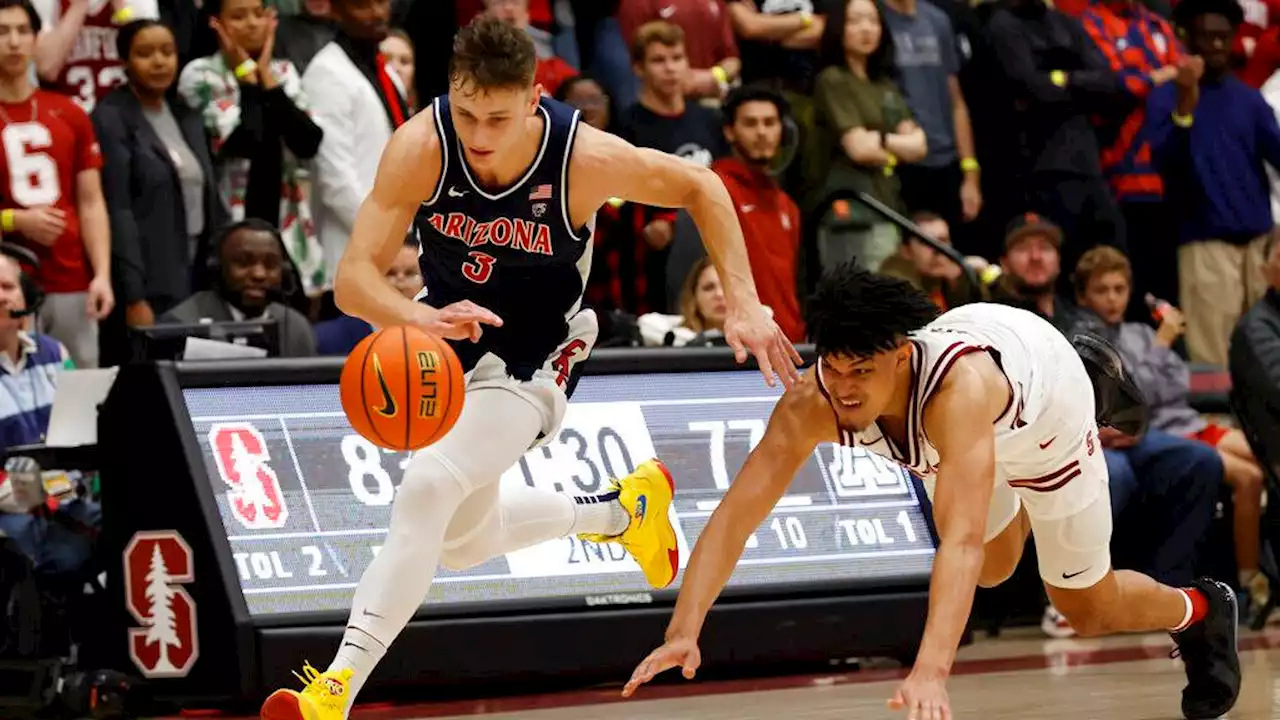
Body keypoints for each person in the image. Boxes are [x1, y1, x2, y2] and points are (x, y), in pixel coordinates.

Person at [259, 15, 798, 720]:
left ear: (535, 99)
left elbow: (703, 187)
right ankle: (621, 512)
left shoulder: (583, 157)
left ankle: (335, 687)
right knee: (460, 543)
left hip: (539, 349)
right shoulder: (423, 145)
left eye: (499, 117)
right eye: (467, 112)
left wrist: (745, 303)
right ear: (449, 93)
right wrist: (416, 317)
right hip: (451, 342)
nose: (479, 136)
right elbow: (353, 280)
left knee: (428, 486)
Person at [623, 264, 1241, 720]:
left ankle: (1203, 610)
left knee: (1086, 609)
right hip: (978, 414)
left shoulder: (955, 394)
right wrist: (684, 626)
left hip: (1044, 410)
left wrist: (930, 673)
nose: (845, 391)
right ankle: (1008, 482)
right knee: (996, 571)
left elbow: (961, 542)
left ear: (899, 355)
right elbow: (735, 517)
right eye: (833, 370)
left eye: (861, 373)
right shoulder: (813, 403)